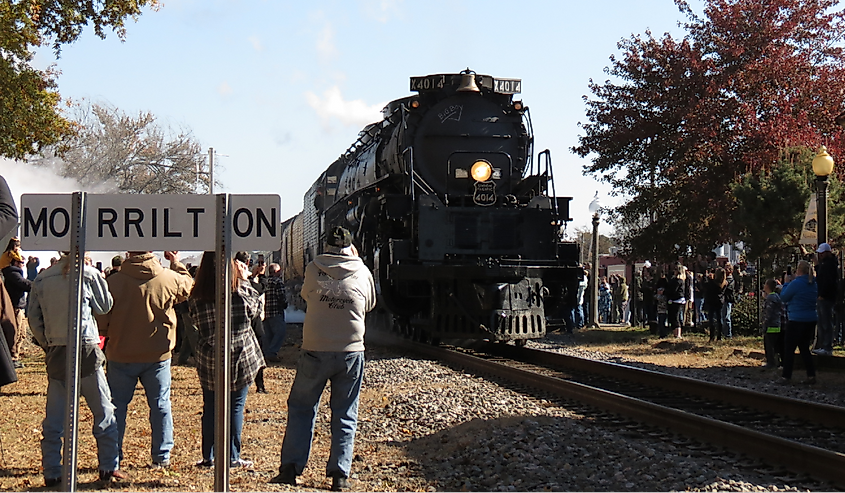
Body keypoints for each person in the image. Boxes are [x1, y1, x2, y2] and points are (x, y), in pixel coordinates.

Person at [271, 226, 376, 491]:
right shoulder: (362, 271)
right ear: (351, 247)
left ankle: (290, 469)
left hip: (315, 348)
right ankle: (340, 474)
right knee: (345, 413)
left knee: (302, 408)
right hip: (351, 350)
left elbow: (306, 296)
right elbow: (370, 304)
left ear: (325, 246)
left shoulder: (313, 268)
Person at [27, 254, 125, 485]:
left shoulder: (42, 278)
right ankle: (108, 466)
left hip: (57, 348)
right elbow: (104, 306)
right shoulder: (88, 274)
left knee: (55, 418)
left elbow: (34, 319)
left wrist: (48, 343)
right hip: (86, 346)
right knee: (103, 410)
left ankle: (52, 471)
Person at [97, 251, 193, 469]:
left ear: (128, 253)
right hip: (157, 354)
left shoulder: (113, 282)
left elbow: (102, 320)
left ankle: (113, 457)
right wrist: (175, 262)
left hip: (121, 353)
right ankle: (162, 455)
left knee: (116, 407)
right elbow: (189, 286)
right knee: (160, 405)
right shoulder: (168, 277)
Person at [188, 252, 264, 468]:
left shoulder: (197, 297)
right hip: (242, 357)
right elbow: (256, 311)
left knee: (210, 406)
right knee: (235, 407)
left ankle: (208, 456)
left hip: (211, 359)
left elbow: (195, 322)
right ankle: (232, 456)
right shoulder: (242, 291)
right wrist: (244, 278)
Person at [778, 260, 818, 385]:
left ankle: (786, 376)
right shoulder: (814, 283)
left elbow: (784, 297)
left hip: (796, 319)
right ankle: (811, 375)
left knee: (789, 348)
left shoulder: (796, 283)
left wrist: (786, 283)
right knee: (804, 348)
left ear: (799, 271)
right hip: (811, 318)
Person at [2, 250, 31, 367]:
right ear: (15, 262)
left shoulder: (14, 273)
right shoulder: (13, 273)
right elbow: (24, 284)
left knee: (22, 333)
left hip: (19, 307)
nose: (23, 264)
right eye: (21, 262)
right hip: (15, 307)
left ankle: (15, 357)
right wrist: (38, 285)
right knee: (14, 333)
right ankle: (12, 359)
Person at [813, 243, 838, 356]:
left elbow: (827, 281)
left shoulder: (829, 265)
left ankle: (827, 346)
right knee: (824, 322)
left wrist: (822, 294)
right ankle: (825, 346)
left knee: (826, 322)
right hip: (826, 296)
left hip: (826, 297)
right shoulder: (828, 264)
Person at [262, 263, 288, 362]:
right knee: (280, 332)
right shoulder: (278, 282)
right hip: (276, 311)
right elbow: (281, 296)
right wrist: (284, 304)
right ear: (277, 271)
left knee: (268, 334)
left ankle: (266, 353)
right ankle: (272, 353)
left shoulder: (265, 281)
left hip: (265, 312)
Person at [761, 279, 783, 369]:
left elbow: (768, 313)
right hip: (777, 324)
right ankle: (777, 361)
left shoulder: (770, 298)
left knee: (769, 345)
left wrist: (765, 324)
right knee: (776, 346)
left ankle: (770, 362)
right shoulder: (777, 296)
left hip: (771, 326)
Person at [666, 264, 686, 339]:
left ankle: (678, 334)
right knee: (672, 317)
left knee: (675, 317)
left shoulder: (678, 281)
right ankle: (675, 334)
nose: (674, 271)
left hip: (677, 300)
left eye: (675, 270)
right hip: (674, 300)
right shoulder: (676, 280)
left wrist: (665, 291)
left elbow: (673, 290)